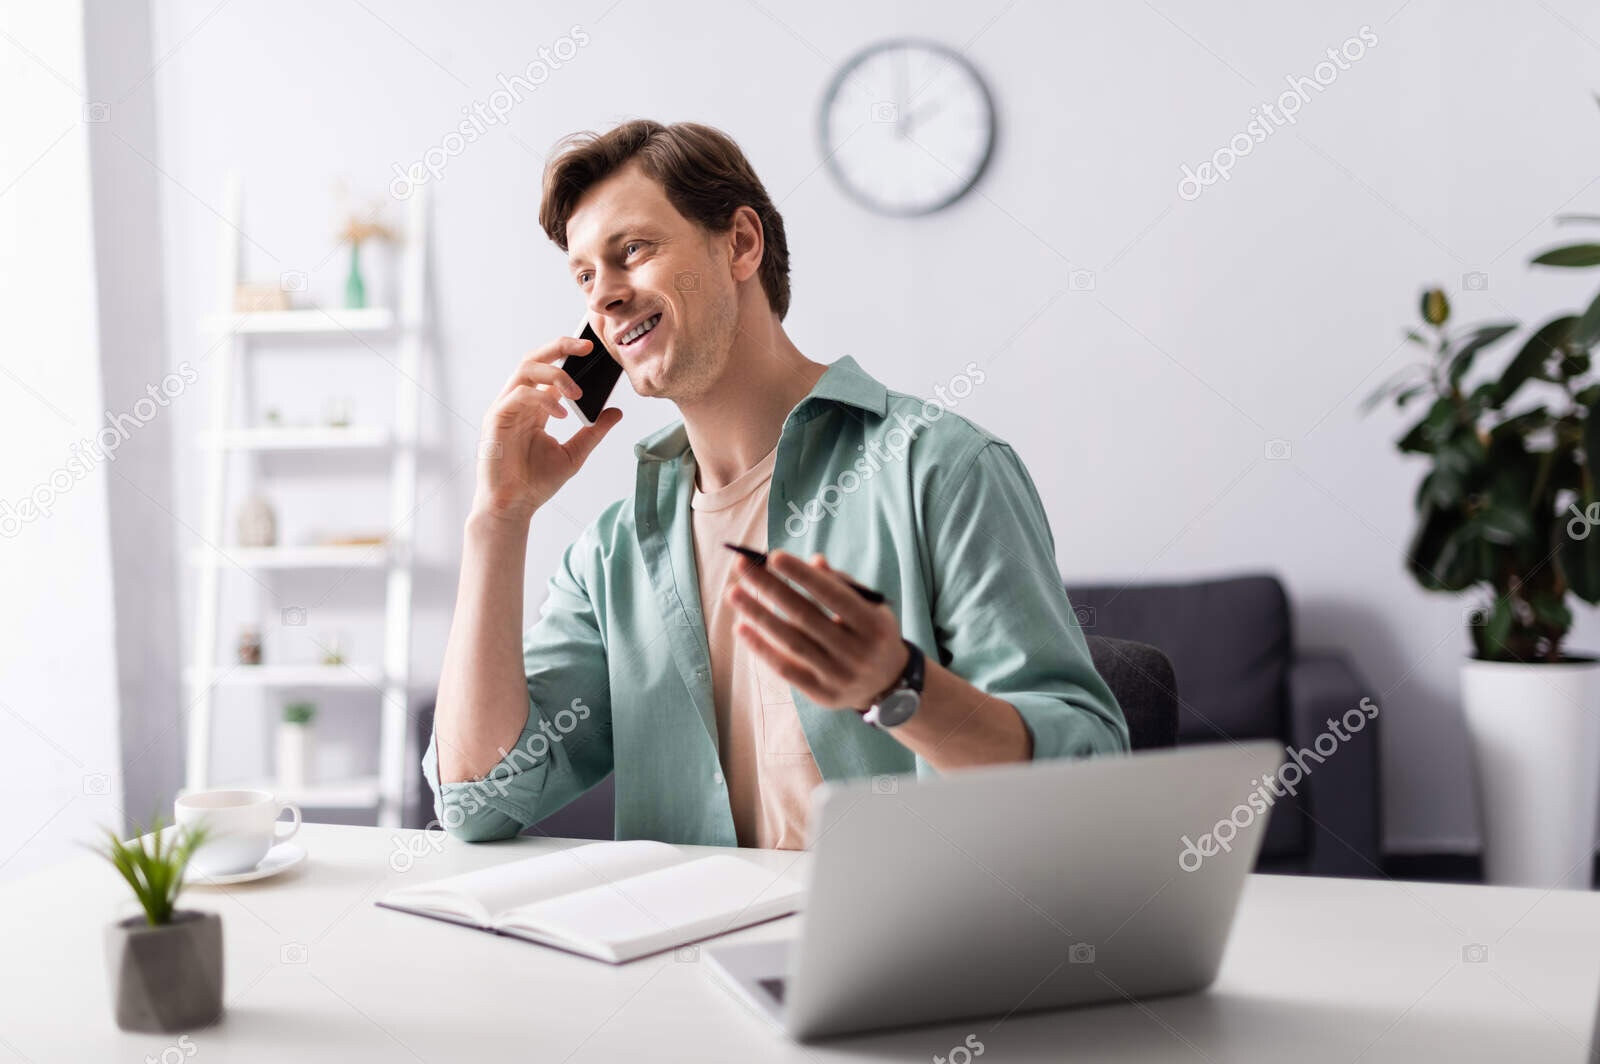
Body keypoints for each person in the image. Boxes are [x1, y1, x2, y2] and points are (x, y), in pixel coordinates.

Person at [423, 119, 1128, 848]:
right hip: (682, 954)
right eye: (584, 277)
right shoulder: (613, 554)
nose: (604, 298)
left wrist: (900, 688)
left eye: (631, 251)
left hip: (903, 947)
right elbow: (480, 803)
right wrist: (498, 519)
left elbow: (1084, 772)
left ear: (741, 244)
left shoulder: (941, 469)